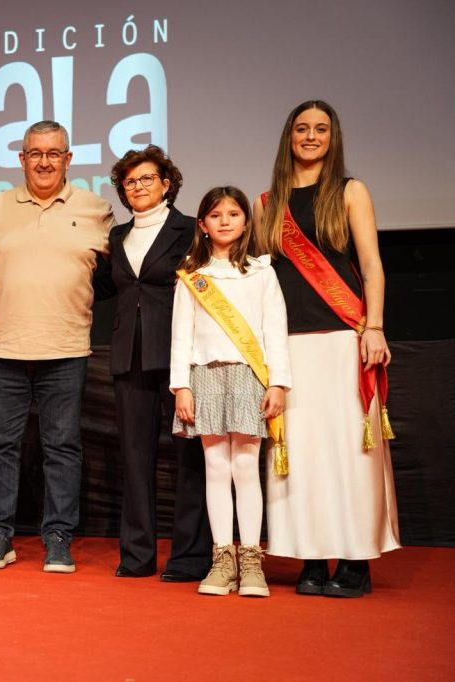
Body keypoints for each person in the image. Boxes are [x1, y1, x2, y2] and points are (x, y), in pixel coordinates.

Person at [254, 100, 400, 597]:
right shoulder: (267, 203)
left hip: (342, 338)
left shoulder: (351, 191)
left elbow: (371, 264)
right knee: (301, 455)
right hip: (288, 345)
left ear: (332, 137)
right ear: (289, 136)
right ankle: (312, 558)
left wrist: (374, 326)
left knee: (349, 454)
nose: (311, 136)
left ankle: (355, 560)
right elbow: (263, 278)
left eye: (321, 129)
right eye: (302, 128)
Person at [0, 121, 114, 573]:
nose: (44, 162)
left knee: (62, 447)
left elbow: (118, 275)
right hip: (7, 348)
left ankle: (58, 537)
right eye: (35, 153)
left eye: (54, 153)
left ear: (68, 159)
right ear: (21, 159)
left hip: (67, 348)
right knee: (0, 446)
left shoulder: (96, 209)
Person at [96, 144, 213, 581]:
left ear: (166, 184)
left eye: (147, 178)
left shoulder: (190, 230)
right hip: (129, 357)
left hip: (181, 358)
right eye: (129, 182)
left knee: (190, 458)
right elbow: (104, 287)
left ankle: (190, 558)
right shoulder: (117, 237)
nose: (138, 186)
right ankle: (137, 556)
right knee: (135, 458)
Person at [170, 187, 291, 597]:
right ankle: (222, 559)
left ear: (246, 222)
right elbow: (181, 335)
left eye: (234, 213)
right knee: (216, 467)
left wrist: (278, 382)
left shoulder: (261, 272)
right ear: (202, 224)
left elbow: (275, 331)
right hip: (204, 375)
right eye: (216, 215)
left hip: (249, 377)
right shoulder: (192, 275)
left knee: (245, 465)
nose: (225, 221)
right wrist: (181, 386)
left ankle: (252, 560)